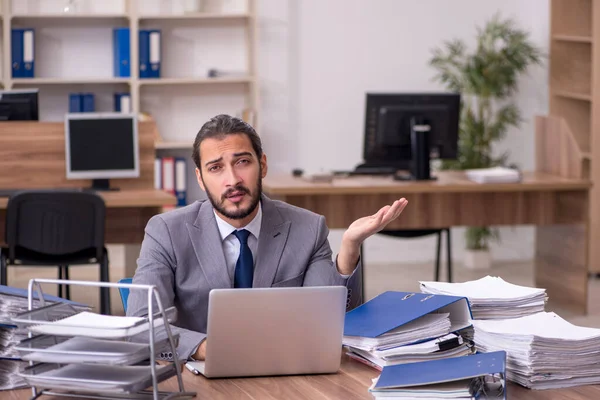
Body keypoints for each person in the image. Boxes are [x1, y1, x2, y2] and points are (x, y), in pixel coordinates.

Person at [127, 114, 408, 361]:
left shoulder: (308, 228)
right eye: (216, 168)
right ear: (200, 179)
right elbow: (142, 326)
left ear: (262, 165)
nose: (233, 180)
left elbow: (330, 325)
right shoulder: (165, 231)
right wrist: (206, 348)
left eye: (243, 162)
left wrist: (349, 248)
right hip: (198, 373)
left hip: (284, 370)